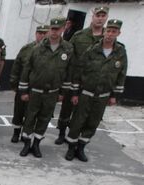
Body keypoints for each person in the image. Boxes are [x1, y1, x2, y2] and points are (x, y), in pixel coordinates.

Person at [66, 19, 127, 162]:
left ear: (118, 33)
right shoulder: (92, 50)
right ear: (104, 32)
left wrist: (114, 96)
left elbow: (121, 74)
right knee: (77, 121)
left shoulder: (120, 52)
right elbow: (79, 72)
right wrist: (75, 93)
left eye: (114, 31)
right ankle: (71, 148)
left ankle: (81, 148)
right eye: (109, 31)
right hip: (86, 94)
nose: (110, 34)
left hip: (103, 96)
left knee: (92, 123)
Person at [17, 18, 72, 158]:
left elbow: (68, 72)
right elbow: (27, 70)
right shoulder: (37, 48)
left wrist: (62, 92)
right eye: (52, 29)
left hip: (52, 93)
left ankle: (36, 144)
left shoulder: (67, 49)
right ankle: (27, 144)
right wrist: (23, 90)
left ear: (62, 29)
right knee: (30, 118)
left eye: (57, 29)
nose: (54, 32)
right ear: (49, 30)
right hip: (35, 91)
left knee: (44, 119)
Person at [55, 6, 109, 145]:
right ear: (93, 16)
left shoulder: (107, 38)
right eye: (98, 15)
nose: (100, 18)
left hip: (92, 82)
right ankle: (62, 133)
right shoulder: (79, 36)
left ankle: (75, 138)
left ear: (106, 18)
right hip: (74, 79)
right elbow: (68, 55)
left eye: (103, 16)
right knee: (66, 109)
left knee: (84, 113)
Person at [9, 25, 48, 143]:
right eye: (39, 33)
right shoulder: (26, 49)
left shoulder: (51, 51)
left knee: (32, 113)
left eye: (44, 33)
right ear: (36, 34)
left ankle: (26, 135)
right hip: (23, 86)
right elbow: (16, 66)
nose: (41, 36)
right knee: (19, 111)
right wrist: (14, 84)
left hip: (39, 88)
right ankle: (16, 132)